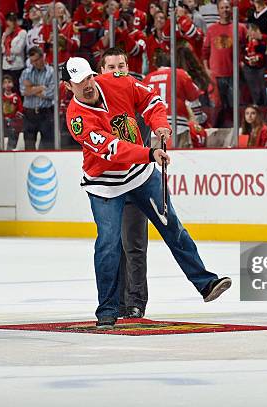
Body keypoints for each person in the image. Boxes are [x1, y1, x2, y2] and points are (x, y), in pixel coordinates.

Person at [63, 57, 232, 328]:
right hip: (104, 184)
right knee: (108, 244)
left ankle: (205, 283)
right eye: (79, 81)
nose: (87, 84)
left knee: (172, 227)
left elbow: (152, 100)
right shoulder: (77, 118)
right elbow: (113, 150)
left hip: (140, 175)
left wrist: (159, 123)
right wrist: (150, 153)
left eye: (89, 77)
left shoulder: (116, 82)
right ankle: (107, 309)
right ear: (68, 86)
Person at [98, 47, 150, 318]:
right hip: (109, 183)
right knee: (112, 246)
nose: (117, 70)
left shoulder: (138, 94)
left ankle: (135, 301)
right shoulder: (94, 102)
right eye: (111, 66)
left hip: (136, 180)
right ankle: (116, 301)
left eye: (122, 65)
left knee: (134, 245)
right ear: (101, 72)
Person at [144, 49, 206, 147]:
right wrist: (198, 119)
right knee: (180, 160)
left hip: (154, 129)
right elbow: (194, 99)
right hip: (178, 127)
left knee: (156, 160)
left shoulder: (147, 78)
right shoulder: (180, 74)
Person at [202, 0, 247, 126]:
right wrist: (207, 69)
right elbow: (205, 52)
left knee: (235, 107)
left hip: (234, 75)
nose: (225, 10)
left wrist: (242, 62)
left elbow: (246, 47)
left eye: (227, 7)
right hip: (216, 76)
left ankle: (237, 134)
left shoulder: (240, 28)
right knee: (217, 108)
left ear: (231, 9)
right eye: (222, 8)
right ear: (218, 10)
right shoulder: (211, 30)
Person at [19, 46, 55, 150]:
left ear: (42, 57)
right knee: (29, 145)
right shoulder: (26, 72)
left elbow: (51, 93)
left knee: (47, 145)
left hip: (46, 113)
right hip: (29, 113)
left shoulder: (51, 72)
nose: (35, 63)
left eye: (36, 60)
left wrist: (31, 88)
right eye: (32, 61)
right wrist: (41, 87)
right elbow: (23, 91)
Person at [0, 74, 24, 149]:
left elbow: (20, 110)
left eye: (9, 82)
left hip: (12, 123)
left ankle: (11, 149)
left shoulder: (16, 97)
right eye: (5, 82)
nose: (7, 84)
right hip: (0, 123)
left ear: (12, 84)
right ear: (2, 85)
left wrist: (15, 119)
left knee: (13, 131)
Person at [0, 12, 27, 92]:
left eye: (14, 20)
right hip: (6, 66)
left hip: (17, 66)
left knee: (17, 89)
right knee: (6, 90)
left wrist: (3, 50)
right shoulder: (3, 34)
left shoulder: (22, 32)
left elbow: (18, 49)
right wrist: (4, 37)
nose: (12, 23)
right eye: (10, 20)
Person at [243, 24, 267, 106]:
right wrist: (247, 61)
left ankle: (266, 107)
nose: (251, 33)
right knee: (254, 91)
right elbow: (243, 54)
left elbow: (266, 52)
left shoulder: (264, 39)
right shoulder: (246, 41)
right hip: (250, 69)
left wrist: (258, 58)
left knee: (264, 90)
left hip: (262, 68)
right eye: (249, 31)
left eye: (253, 31)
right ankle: (256, 105)